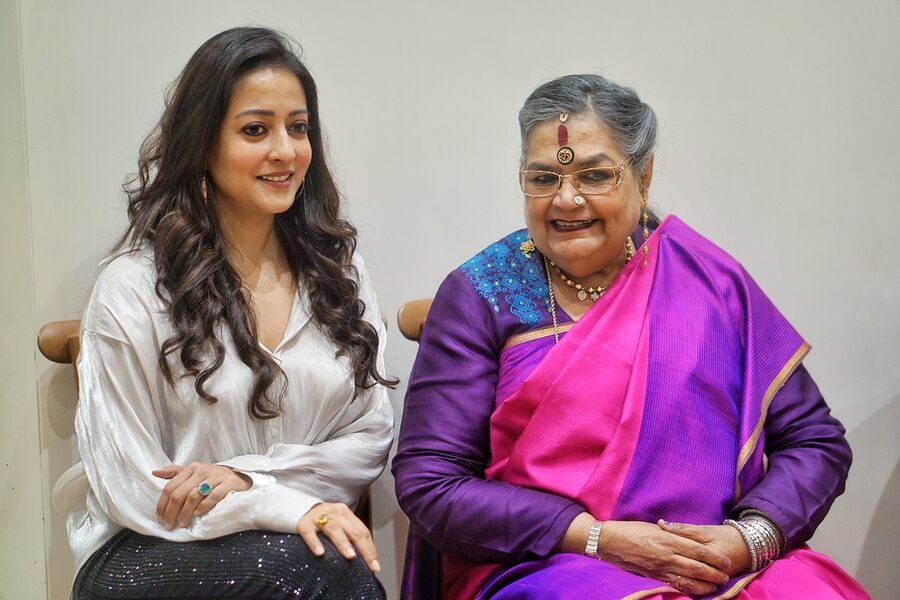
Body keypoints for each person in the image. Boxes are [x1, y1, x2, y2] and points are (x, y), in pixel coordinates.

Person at [392, 74, 868, 599]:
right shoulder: (482, 295)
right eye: (543, 178)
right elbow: (432, 485)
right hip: (549, 560)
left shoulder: (709, 282)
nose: (567, 200)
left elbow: (814, 440)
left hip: (719, 560)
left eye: (596, 175)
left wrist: (747, 538)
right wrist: (598, 538)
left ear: (644, 176)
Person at [54, 27, 394, 600]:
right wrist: (280, 504)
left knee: (323, 570)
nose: (285, 150)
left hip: (292, 551)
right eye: (255, 130)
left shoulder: (340, 270)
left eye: (299, 127)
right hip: (146, 548)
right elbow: (132, 484)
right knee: (320, 573)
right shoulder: (133, 286)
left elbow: (371, 433)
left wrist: (244, 478)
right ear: (203, 143)